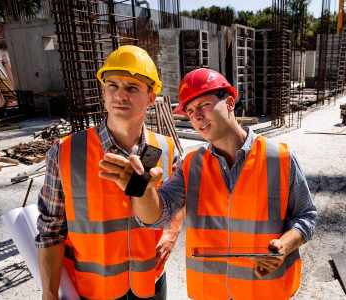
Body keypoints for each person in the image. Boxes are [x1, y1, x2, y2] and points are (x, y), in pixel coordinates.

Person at [99, 68, 317, 299]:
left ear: (230, 103)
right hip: (210, 293)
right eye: (190, 111)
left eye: (204, 104)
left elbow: (306, 216)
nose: (197, 116)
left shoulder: (279, 159)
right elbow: (156, 219)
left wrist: (283, 247)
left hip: (264, 291)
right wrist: (141, 192)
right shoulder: (191, 165)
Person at [36, 45, 185, 300]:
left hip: (150, 281)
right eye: (112, 85)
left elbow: (180, 198)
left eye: (132, 87)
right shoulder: (66, 152)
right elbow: (51, 230)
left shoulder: (164, 147)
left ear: (151, 97)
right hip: (94, 289)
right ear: (103, 92)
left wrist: (171, 234)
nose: (120, 95)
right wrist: (49, 293)